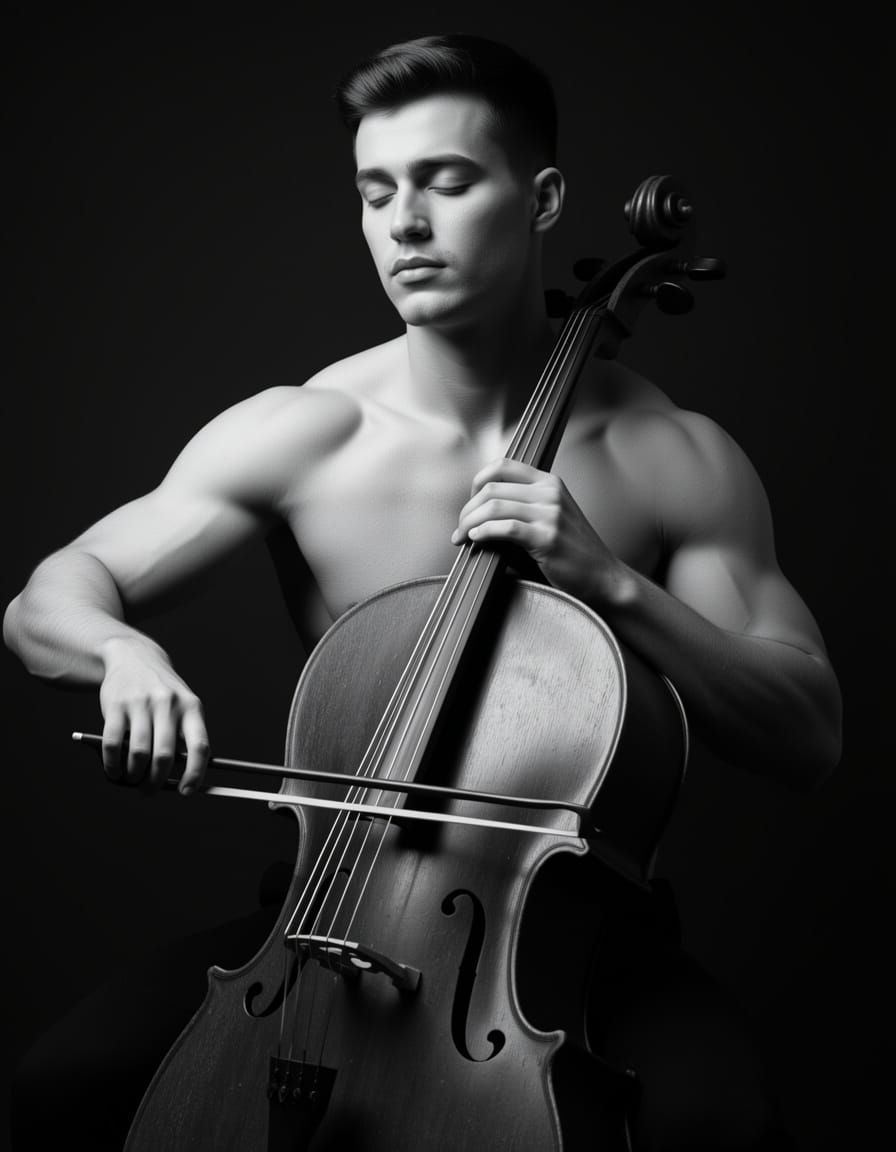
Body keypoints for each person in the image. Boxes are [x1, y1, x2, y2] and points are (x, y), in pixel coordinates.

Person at [4, 33, 841, 1152]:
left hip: (581, 936)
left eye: (446, 182)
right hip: (325, 906)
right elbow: (49, 595)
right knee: (66, 1087)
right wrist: (124, 655)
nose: (403, 223)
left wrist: (609, 584)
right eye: (375, 191)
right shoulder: (310, 429)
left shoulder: (665, 453)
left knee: (717, 1127)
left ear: (539, 199)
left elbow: (805, 733)